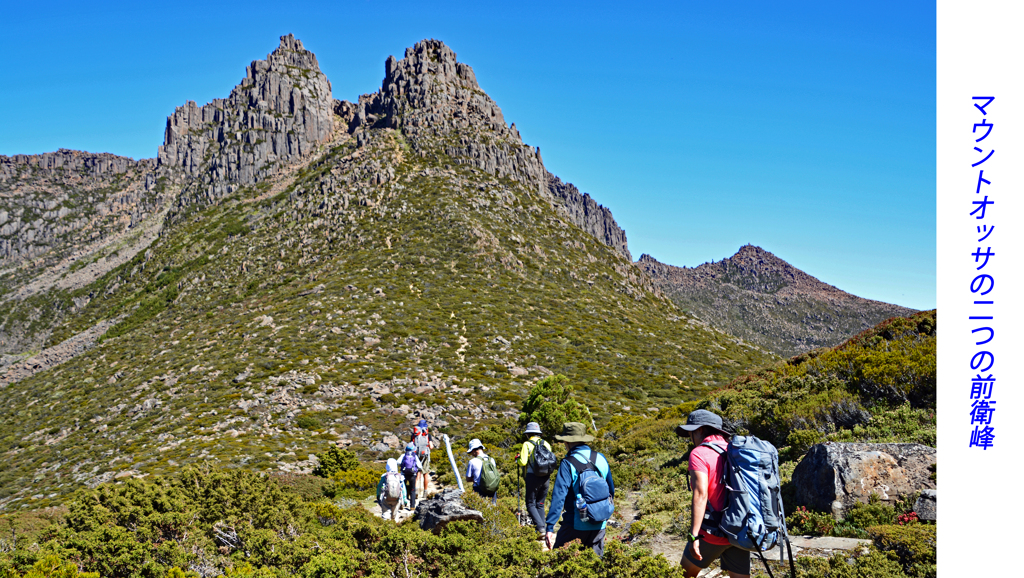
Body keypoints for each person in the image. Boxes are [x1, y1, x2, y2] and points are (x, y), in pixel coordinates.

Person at [676, 409, 750, 578]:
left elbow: (701, 495)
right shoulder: (736, 451)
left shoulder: (699, 454)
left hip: (712, 534)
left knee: (683, 574)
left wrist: (694, 536)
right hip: (739, 530)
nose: (690, 438)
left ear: (700, 430)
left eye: (690, 433)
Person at [544, 422, 614, 558]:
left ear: (567, 441)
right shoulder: (601, 458)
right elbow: (611, 490)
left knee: (560, 564)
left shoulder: (567, 463)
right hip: (599, 524)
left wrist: (550, 526)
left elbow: (559, 496)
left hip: (574, 524)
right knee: (593, 566)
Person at [518, 421, 553, 534]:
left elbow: (523, 462)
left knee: (530, 503)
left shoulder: (527, 444)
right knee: (540, 503)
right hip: (545, 477)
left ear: (528, 434)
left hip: (532, 476)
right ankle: (542, 528)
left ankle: (540, 527)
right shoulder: (546, 444)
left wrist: (517, 459)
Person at [465, 438, 498, 503]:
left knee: (480, 510)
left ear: (474, 450)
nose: (471, 454)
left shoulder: (472, 462)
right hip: (492, 489)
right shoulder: (491, 460)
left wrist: (473, 479)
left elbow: (468, 479)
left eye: (471, 452)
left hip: (479, 489)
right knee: (493, 510)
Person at [376, 458, 407, 523]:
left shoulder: (384, 476)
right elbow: (403, 489)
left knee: (386, 514)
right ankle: (394, 529)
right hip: (397, 499)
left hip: (386, 498)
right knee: (395, 515)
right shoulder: (400, 476)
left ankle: (386, 528)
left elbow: (379, 487)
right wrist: (405, 499)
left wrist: (378, 496)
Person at [411, 419, 435, 496]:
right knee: (425, 474)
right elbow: (431, 447)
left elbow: (412, 446)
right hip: (425, 455)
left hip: (416, 456)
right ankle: (425, 492)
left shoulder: (414, 434)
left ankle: (416, 491)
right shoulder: (427, 435)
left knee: (417, 474)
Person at [399, 442, 425, 508]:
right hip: (412, 475)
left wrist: (402, 465)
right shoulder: (415, 456)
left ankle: (402, 503)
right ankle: (412, 506)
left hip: (403, 474)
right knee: (412, 490)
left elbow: (398, 462)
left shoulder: (403, 455)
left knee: (402, 489)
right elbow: (420, 466)